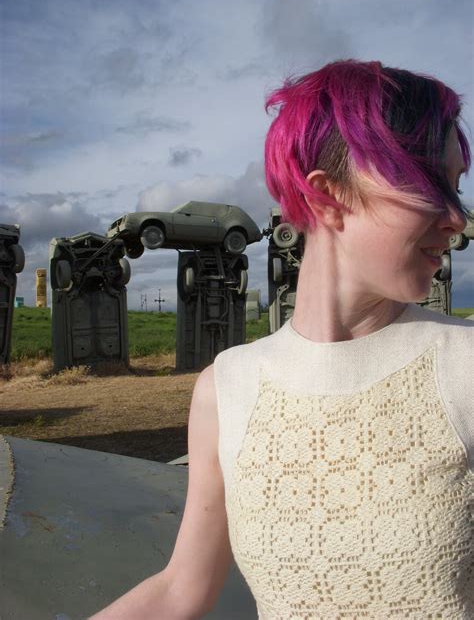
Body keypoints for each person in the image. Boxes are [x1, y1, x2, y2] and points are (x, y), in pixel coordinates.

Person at [91, 60, 473, 619]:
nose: (457, 217)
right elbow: (180, 590)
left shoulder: (465, 367)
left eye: (458, 186)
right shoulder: (226, 389)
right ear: (327, 197)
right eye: (430, 184)